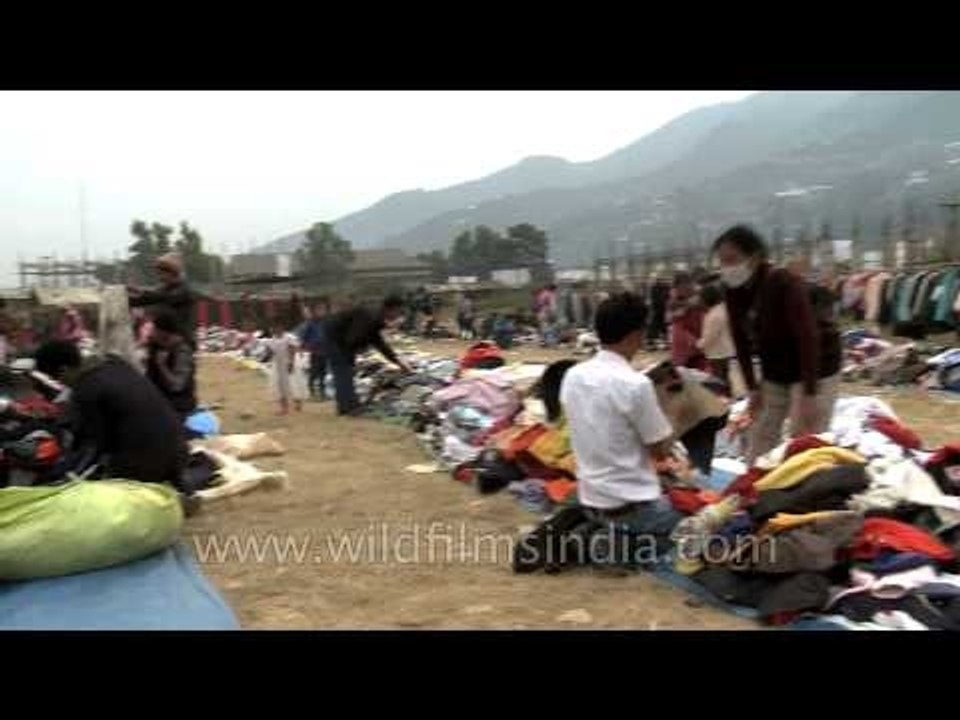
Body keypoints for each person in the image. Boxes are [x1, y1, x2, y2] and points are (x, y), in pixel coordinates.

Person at [560, 292, 680, 568]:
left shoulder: (573, 375)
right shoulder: (635, 385)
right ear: (636, 335)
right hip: (630, 505)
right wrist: (672, 412)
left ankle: (597, 532)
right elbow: (660, 450)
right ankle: (622, 546)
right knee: (699, 523)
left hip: (589, 493)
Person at [713, 225, 842, 463]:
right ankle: (752, 486)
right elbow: (740, 340)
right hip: (776, 367)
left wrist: (810, 394)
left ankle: (804, 492)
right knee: (761, 430)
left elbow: (807, 337)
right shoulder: (732, 291)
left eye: (732, 260)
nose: (727, 268)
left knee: (803, 434)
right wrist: (752, 388)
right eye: (722, 262)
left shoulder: (783, 282)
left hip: (816, 363)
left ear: (755, 257)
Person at [34, 340, 188, 488]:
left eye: (57, 379)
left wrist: (64, 476)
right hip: (179, 452)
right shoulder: (116, 363)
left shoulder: (86, 388)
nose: (62, 385)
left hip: (145, 465)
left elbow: (95, 444)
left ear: (63, 370)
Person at [324, 295, 411, 416]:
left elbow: (380, 343)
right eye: (399, 311)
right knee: (343, 371)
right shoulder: (371, 317)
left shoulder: (377, 318)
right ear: (391, 309)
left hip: (341, 340)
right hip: (334, 339)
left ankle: (347, 406)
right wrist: (358, 353)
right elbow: (352, 339)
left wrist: (398, 362)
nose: (399, 315)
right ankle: (348, 409)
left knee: (346, 371)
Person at [128, 253, 196, 348]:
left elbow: (161, 297)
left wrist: (140, 291)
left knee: (162, 312)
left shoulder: (184, 290)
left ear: (171, 273)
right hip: (163, 340)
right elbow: (146, 299)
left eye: (161, 273)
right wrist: (124, 299)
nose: (159, 276)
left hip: (182, 342)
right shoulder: (164, 289)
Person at [146, 310, 198, 421]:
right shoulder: (157, 346)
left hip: (178, 407)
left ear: (163, 332)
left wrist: (162, 365)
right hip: (160, 402)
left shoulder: (182, 350)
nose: (151, 333)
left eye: (154, 329)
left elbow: (177, 386)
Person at [696, 283, 736, 387]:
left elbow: (710, 337)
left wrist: (698, 344)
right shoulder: (723, 309)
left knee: (719, 380)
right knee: (725, 378)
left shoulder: (714, 315)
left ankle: (724, 399)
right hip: (725, 350)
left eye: (701, 298)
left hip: (717, 353)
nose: (700, 301)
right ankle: (729, 397)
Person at [668, 272, 707, 371]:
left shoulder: (698, 297)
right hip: (686, 347)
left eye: (689, 285)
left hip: (699, 346)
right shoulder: (674, 302)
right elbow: (677, 326)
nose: (688, 288)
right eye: (684, 286)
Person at [268, 322, 307, 416]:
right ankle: (284, 408)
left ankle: (298, 403)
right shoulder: (272, 339)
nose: (272, 330)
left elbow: (292, 350)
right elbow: (272, 352)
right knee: (279, 385)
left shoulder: (289, 337)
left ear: (281, 327)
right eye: (271, 328)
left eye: (274, 327)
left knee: (293, 383)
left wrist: (291, 363)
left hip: (288, 363)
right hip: (277, 364)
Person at [299, 300, 330, 400]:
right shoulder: (311, 323)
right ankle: (310, 391)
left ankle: (322, 392)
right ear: (315, 311)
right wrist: (303, 347)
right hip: (315, 351)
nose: (321, 312)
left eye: (323, 310)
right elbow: (304, 336)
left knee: (323, 373)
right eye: (319, 310)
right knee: (314, 371)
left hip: (325, 351)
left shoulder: (326, 322)